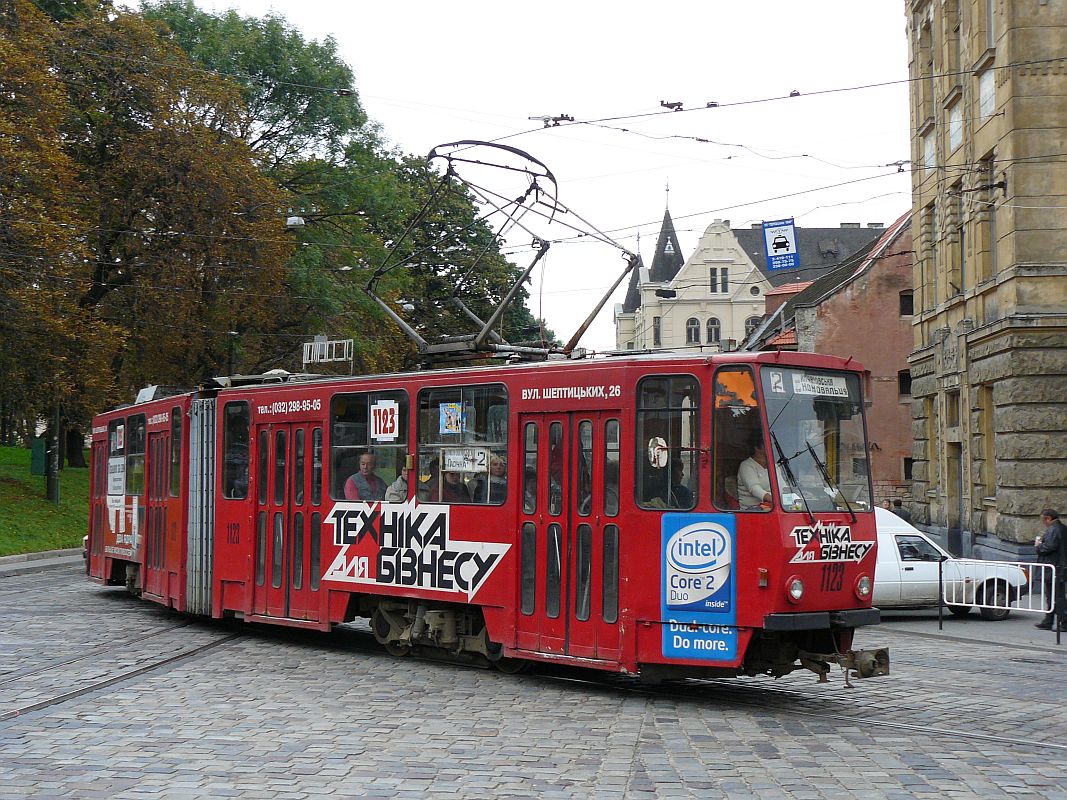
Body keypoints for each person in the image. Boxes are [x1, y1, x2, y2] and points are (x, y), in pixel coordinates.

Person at [1034, 508, 1067, 631]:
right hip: (1058, 566)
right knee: (1053, 595)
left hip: (1054, 567)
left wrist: (1038, 546)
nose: (1043, 522)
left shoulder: (1053, 529)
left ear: (1048, 518)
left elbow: (1049, 547)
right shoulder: (1062, 528)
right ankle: (1048, 620)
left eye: (1043, 519)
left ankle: (1064, 622)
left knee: (1057, 596)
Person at [736, 434, 772, 509]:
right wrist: (774, 500)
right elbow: (754, 488)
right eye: (767, 445)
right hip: (752, 510)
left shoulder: (773, 466)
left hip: (773, 507)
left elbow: (783, 488)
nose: (771, 448)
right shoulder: (746, 465)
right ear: (757, 448)